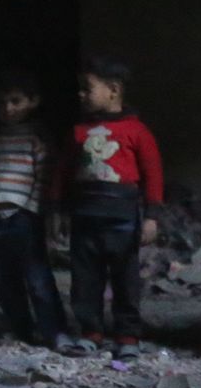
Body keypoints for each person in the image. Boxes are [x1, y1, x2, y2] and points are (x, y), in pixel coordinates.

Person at [48, 55, 163, 361]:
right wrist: (58, 209)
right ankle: (90, 333)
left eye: (88, 88)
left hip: (123, 220)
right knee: (85, 280)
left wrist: (152, 217)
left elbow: (153, 175)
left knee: (126, 281)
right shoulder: (78, 133)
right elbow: (63, 171)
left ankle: (127, 336)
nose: (81, 95)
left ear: (113, 90)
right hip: (85, 218)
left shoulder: (137, 132)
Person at [0, 69, 69, 350]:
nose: (8, 108)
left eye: (15, 101)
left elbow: (43, 177)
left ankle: (55, 332)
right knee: (2, 280)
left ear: (33, 102)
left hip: (22, 217)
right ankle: (23, 331)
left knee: (37, 279)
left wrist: (33, 211)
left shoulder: (36, 139)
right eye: (2, 103)